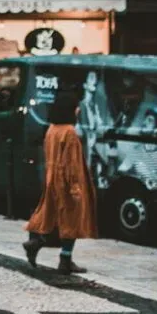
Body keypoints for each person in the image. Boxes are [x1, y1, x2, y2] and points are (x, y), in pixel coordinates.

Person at [23, 93, 96, 274]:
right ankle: (65, 260)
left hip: (52, 179)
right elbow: (70, 163)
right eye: (76, 106)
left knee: (53, 216)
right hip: (66, 182)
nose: (78, 110)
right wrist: (75, 187)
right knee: (71, 220)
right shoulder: (69, 132)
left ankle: (36, 242)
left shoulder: (52, 129)